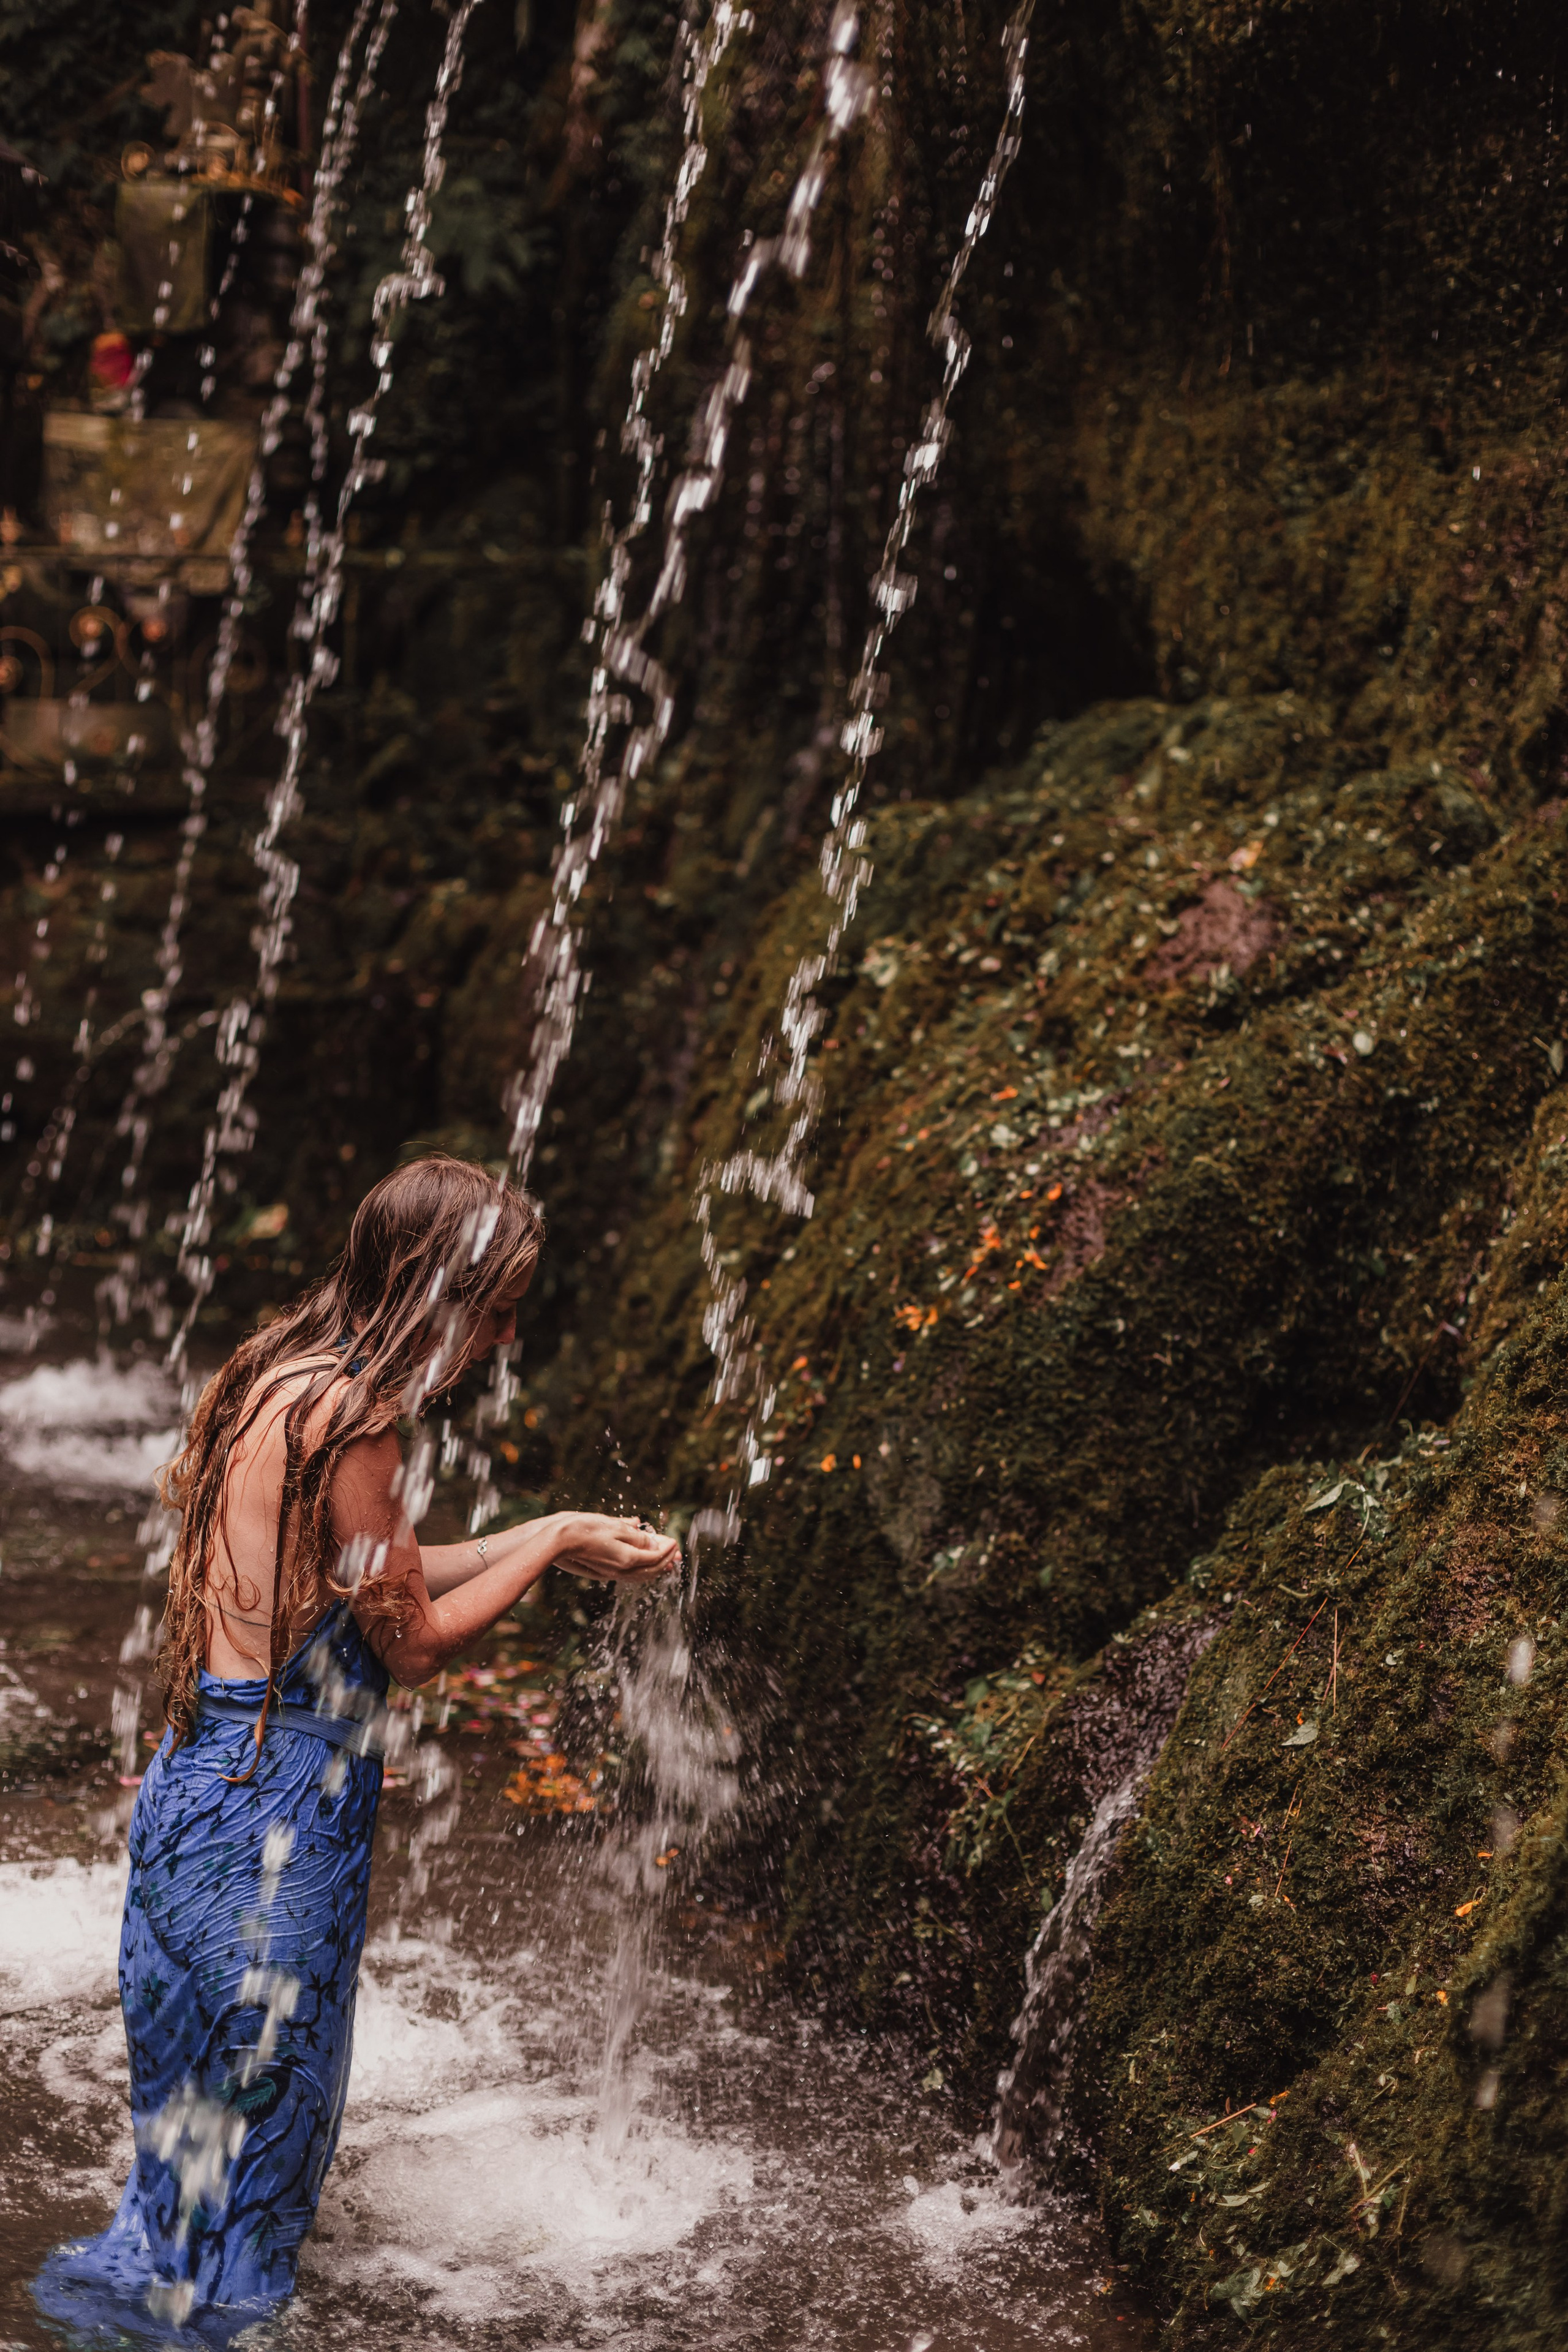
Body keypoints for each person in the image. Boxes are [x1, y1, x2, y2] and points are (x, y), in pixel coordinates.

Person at [34, 1155, 677, 2344]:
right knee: (255, 2193)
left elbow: (368, 1579)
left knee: (185, 2180)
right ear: (435, 1293)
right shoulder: (362, 1428)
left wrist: (543, 1530)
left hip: (195, 1797)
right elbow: (413, 1644)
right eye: (496, 1308)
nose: (506, 1335)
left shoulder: (279, 1378)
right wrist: (550, 1552)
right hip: (277, 1829)